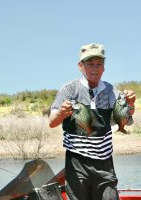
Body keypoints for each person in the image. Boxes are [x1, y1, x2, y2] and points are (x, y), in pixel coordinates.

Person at [49, 43, 136, 200]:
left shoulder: (110, 91)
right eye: (90, 64)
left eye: (99, 64)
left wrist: (130, 104)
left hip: (105, 163)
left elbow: (126, 118)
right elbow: (52, 121)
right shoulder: (69, 90)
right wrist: (62, 113)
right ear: (80, 66)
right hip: (77, 163)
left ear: (104, 67)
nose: (95, 68)